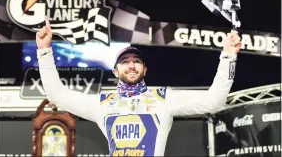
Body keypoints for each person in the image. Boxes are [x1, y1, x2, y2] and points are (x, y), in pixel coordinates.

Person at [36, 18, 242, 156]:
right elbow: (57, 95)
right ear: (116, 72)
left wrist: (228, 57)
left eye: (136, 61)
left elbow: (214, 100)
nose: (131, 65)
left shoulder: (164, 98)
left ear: (145, 69)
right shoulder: (102, 104)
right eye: (125, 62)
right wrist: (44, 51)